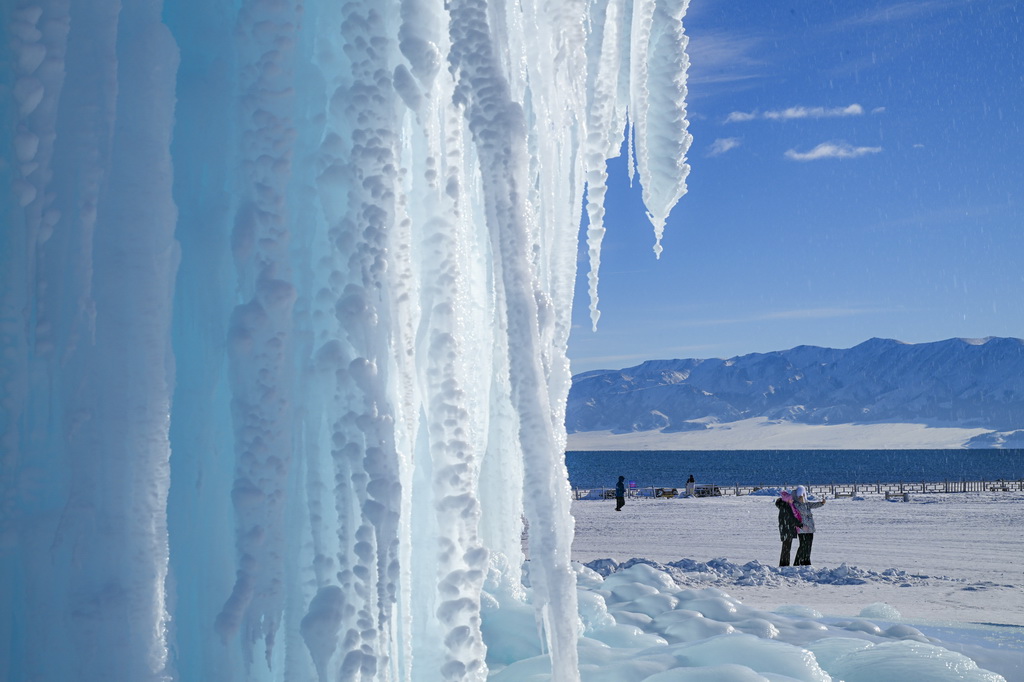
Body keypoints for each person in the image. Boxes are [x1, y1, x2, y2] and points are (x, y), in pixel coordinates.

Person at [792, 485, 826, 566]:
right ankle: (797, 563)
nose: (801, 497)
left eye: (803, 495)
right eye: (800, 495)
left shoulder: (806, 503)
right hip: (801, 529)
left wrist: (821, 503)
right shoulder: (795, 504)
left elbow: (814, 505)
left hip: (810, 528)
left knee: (808, 546)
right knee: (802, 546)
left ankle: (806, 562)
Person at [774, 490, 802, 566]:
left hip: (785, 529)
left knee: (786, 548)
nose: (792, 500)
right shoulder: (786, 507)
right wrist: (800, 524)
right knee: (786, 548)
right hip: (787, 529)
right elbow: (791, 518)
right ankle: (784, 565)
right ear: (787, 500)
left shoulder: (784, 506)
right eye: (791, 499)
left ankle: (784, 564)